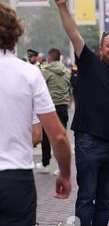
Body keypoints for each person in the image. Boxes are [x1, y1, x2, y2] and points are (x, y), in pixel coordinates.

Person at [54, 0, 109, 226]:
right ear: (101, 49)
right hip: (89, 142)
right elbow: (73, 32)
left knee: (107, 198)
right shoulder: (88, 62)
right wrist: (63, 6)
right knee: (86, 196)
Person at [0, 2, 72, 226]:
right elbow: (59, 137)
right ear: (14, 33)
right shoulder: (29, 73)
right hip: (14, 177)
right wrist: (64, 173)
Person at [36, 47, 71, 175]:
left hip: (49, 107)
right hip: (63, 106)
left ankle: (45, 164)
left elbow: (39, 86)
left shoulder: (46, 70)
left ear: (50, 57)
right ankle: (61, 168)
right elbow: (69, 86)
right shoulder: (66, 71)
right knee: (61, 138)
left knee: (46, 137)